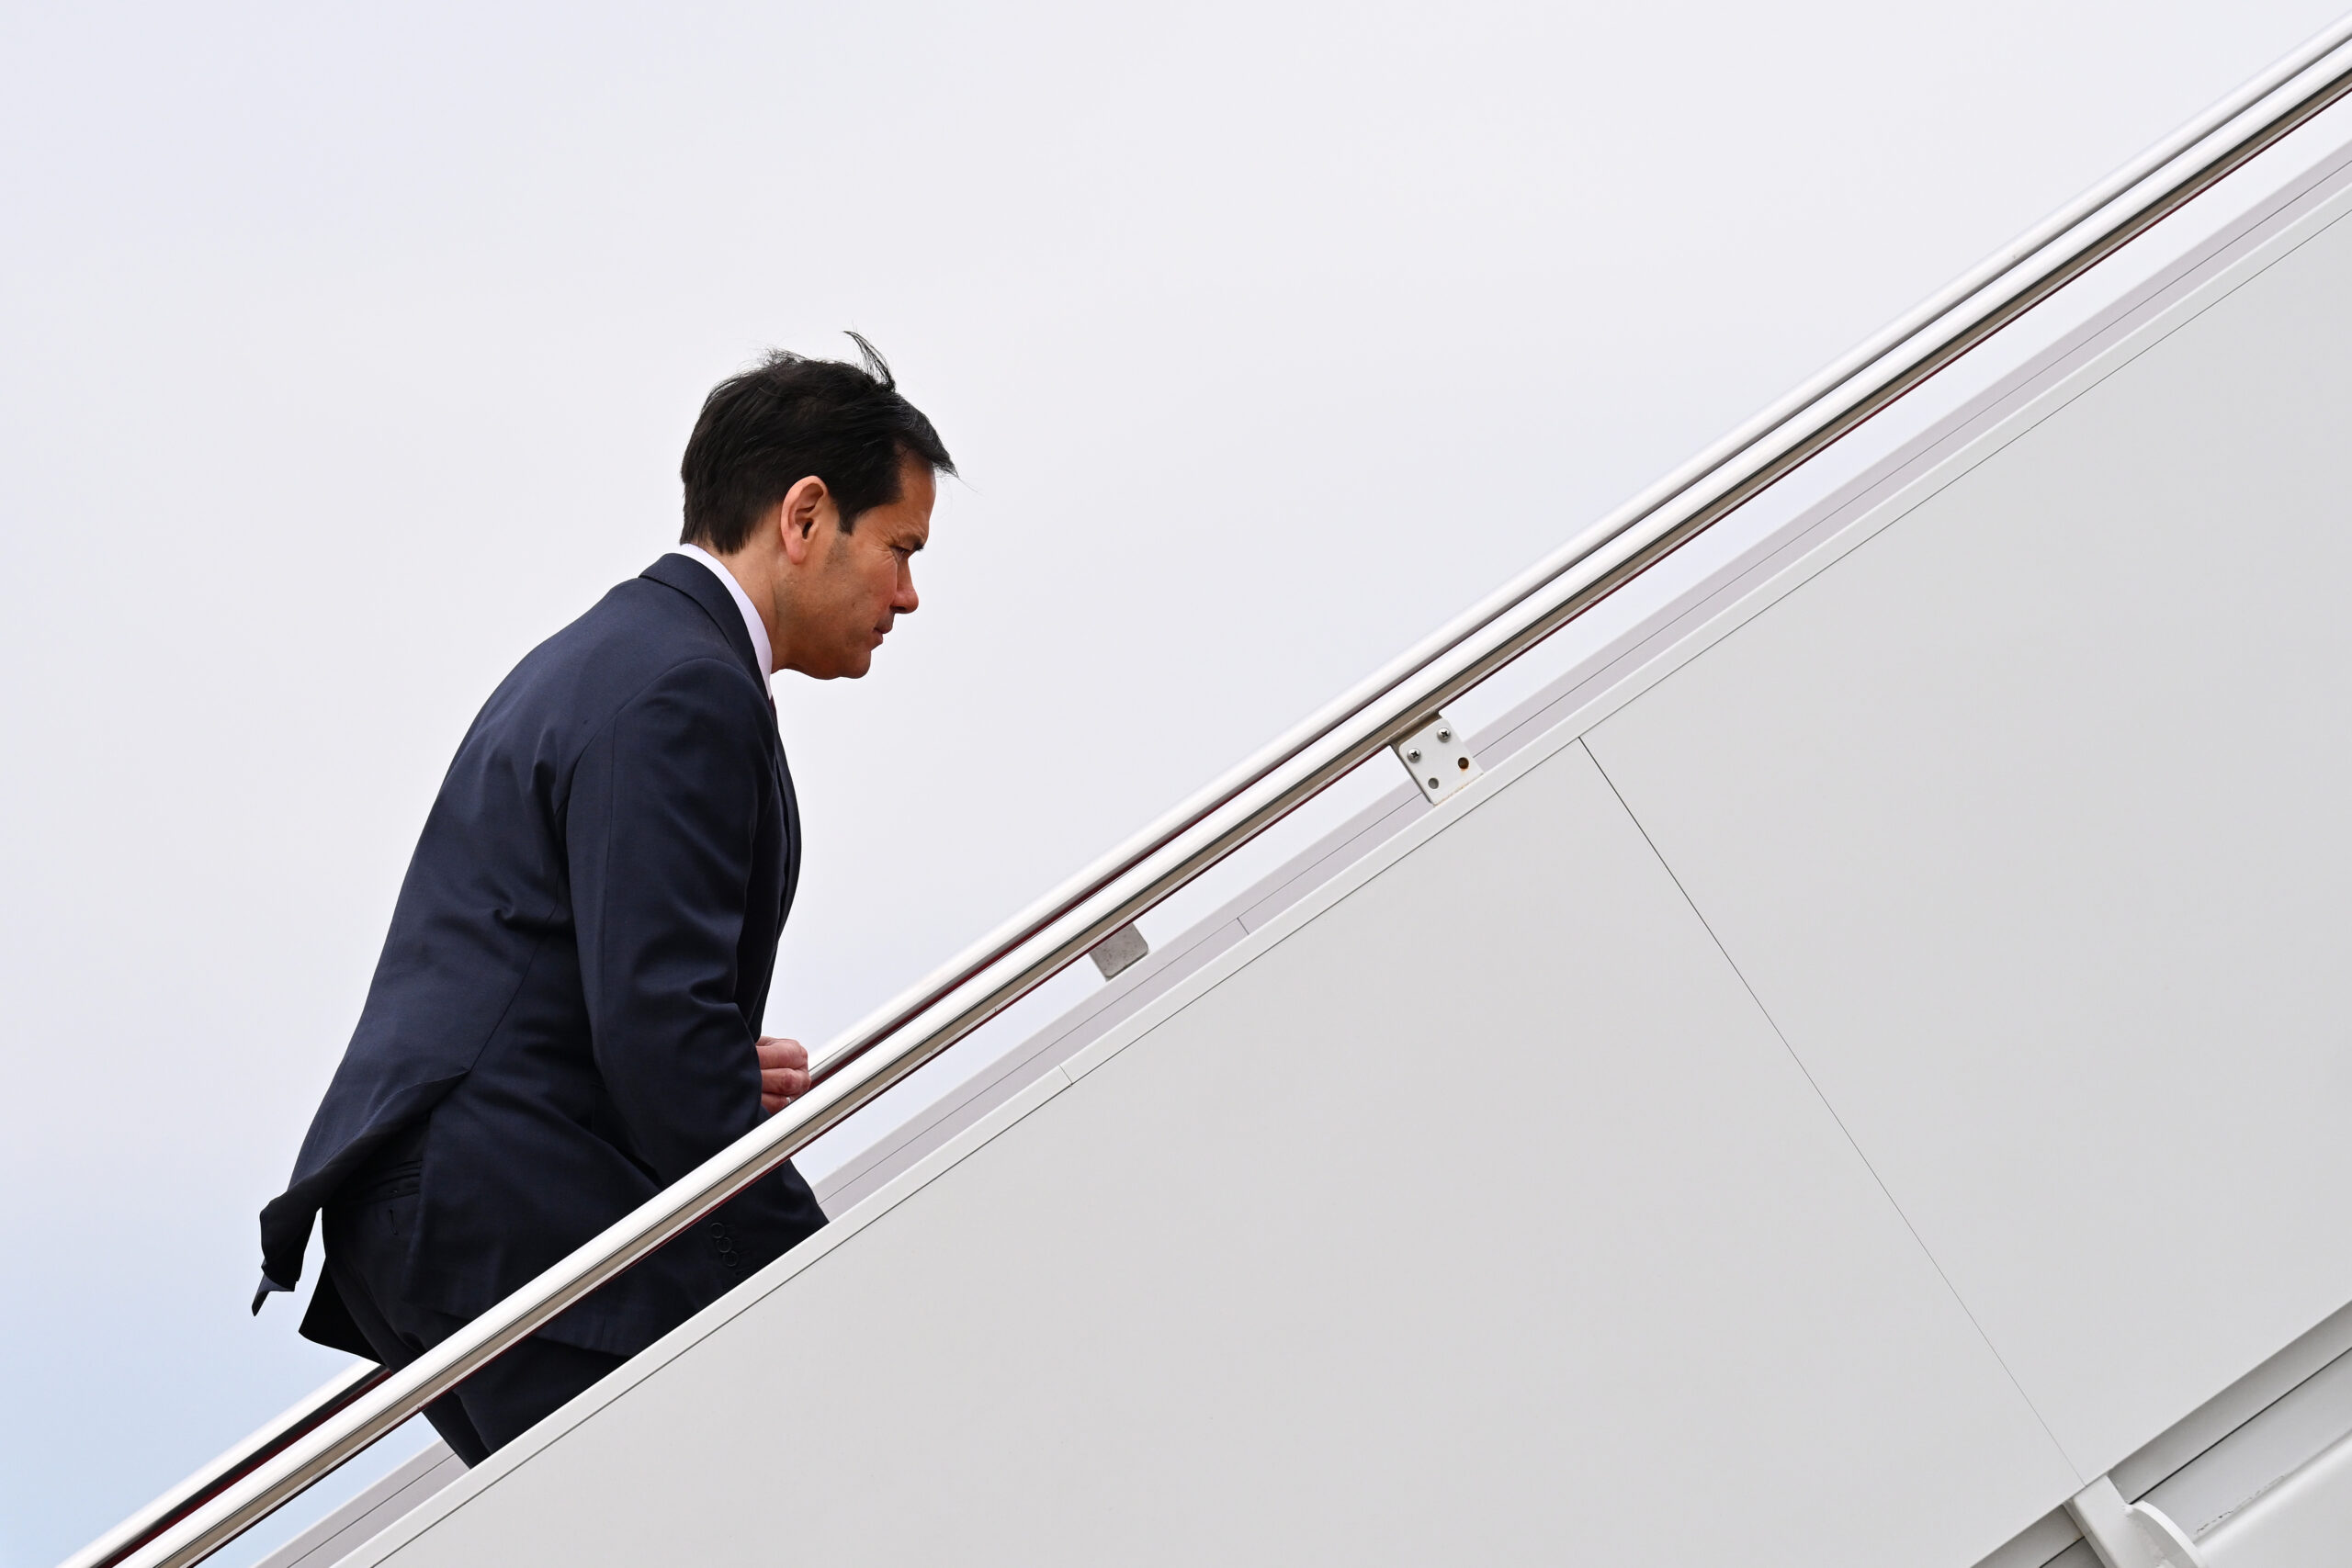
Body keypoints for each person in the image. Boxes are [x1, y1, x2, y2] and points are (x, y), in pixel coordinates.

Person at [254, 337, 955, 1465]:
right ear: (805, 515)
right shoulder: (685, 686)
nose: (910, 596)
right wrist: (820, 1261)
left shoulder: (618, 653)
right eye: (901, 550)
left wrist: (707, 1066)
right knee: (793, 1459)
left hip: (445, 1201)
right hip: (498, 1197)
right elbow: (656, 1029)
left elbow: (595, 982)